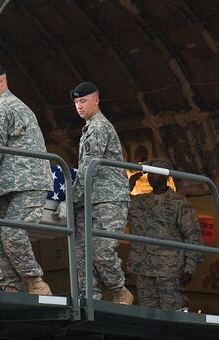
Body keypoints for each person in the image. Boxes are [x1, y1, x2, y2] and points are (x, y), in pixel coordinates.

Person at [0, 63, 53, 295]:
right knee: (0, 238)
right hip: (12, 185)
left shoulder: (2, 110)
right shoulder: (16, 107)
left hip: (27, 182)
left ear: (2, 82)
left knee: (11, 234)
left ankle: (35, 282)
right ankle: (10, 288)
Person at [70, 82, 133, 304]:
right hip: (89, 199)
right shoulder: (89, 128)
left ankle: (120, 290)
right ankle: (90, 298)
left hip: (108, 199)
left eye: (83, 101)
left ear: (96, 101)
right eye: (76, 102)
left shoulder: (98, 127)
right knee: (82, 254)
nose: (79, 106)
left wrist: (72, 198)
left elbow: (89, 168)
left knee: (101, 250)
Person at [127, 158, 203, 311]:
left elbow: (193, 236)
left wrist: (189, 268)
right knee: (148, 316)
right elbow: (120, 206)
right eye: (149, 173)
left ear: (166, 176)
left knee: (172, 315)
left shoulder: (179, 203)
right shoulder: (140, 202)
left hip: (170, 271)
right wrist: (128, 186)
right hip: (145, 269)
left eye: (156, 173)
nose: (151, 176)